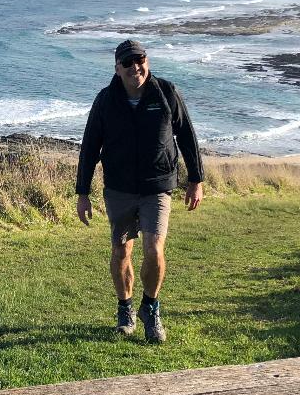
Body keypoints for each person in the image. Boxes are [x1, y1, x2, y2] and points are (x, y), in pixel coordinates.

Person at [75, 39, 205, 342]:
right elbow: (90, 147)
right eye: (128, 62)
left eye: (141, 60)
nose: (136, 67)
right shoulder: (106, 100)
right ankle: (125, 307)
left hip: (157, 186)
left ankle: (150, 306)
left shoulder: (167, 93)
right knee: (121, 250)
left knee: (154, 249)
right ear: (117, 68)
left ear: (147, 61)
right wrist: (82, 193)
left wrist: (196, 179)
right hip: (119, 188)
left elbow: (187, 136)